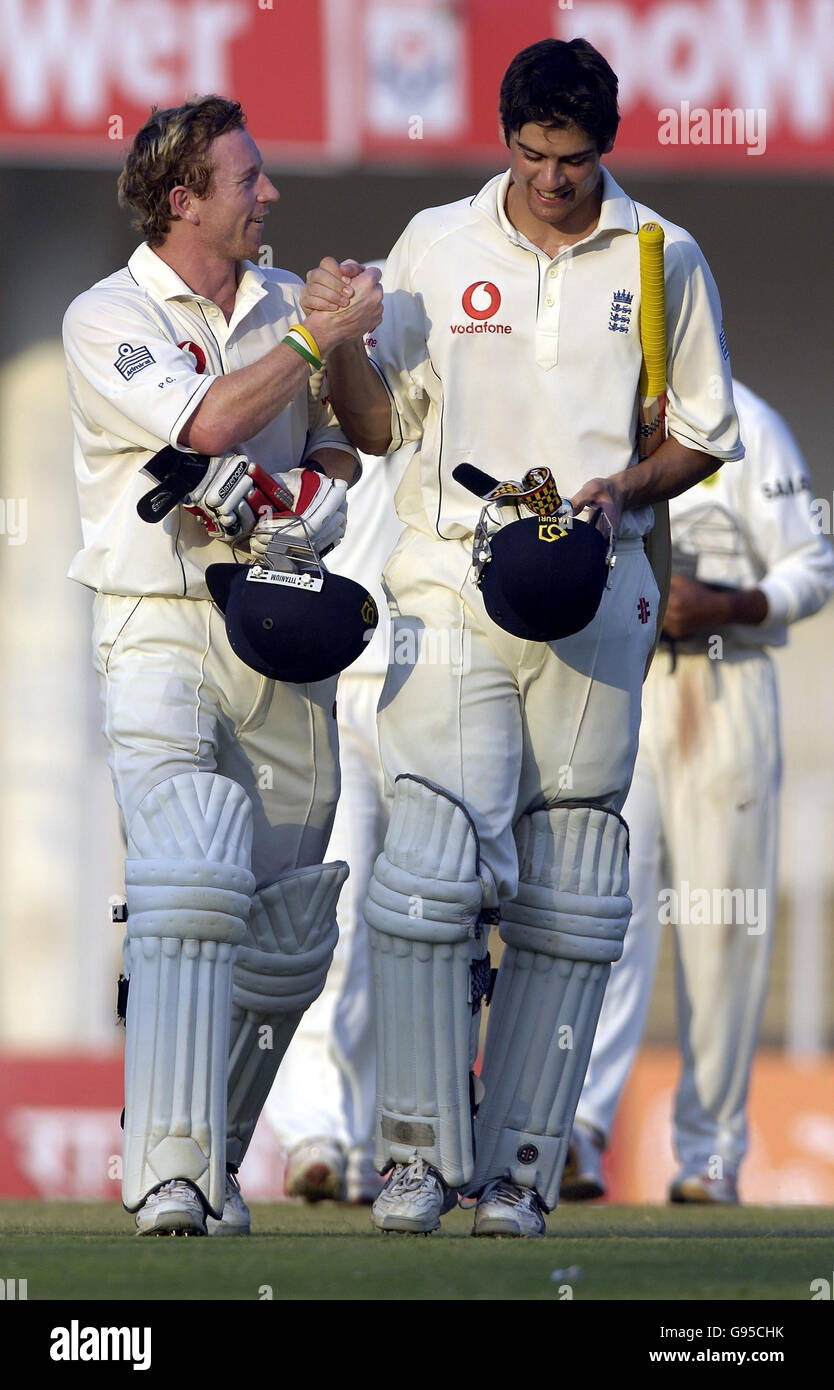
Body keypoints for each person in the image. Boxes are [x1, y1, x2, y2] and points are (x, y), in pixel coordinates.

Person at [301, 37, 743, 1237]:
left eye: (579, 159)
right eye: (537, 157)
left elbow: (704, 431)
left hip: (597, 586)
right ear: (507, 142)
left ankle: (522, 1169)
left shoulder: (663, 256)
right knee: (432, 860)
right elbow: (383, 428)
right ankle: (411, 1156)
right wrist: (340, 344)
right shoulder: (438, 243)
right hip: (449, 575)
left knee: (574, 883)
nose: (556, 180)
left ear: (609, 146)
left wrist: (628, 485)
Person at [62, 96, 382, 1236]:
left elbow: (361, 438)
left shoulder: (292, 302)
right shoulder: (106, 316)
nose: (272, 197)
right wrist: (311, 341)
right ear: (184, 199)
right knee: (191, 868)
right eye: (250, 180)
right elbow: (201, 428)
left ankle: (213, 1161)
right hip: (158, 617)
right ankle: (162, 1169)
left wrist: (320, 485)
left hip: (285, 628)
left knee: (290, 927)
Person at [562, 379, 834, 1204]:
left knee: (723, 925)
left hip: (727, 686)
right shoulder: (593, 410)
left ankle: (708, 1156)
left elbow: (813, 568)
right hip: (620, 681)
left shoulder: (751, 423)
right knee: (603, 908)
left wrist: (722, 605)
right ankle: (577, 1131)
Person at [266, 427, 413, 1206]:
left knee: (416, 923)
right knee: (337, 913)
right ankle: (316, 1130)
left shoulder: (452, 328)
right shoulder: (309, 350)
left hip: (424, 670)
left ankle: (380, 1140)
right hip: (324, 667)